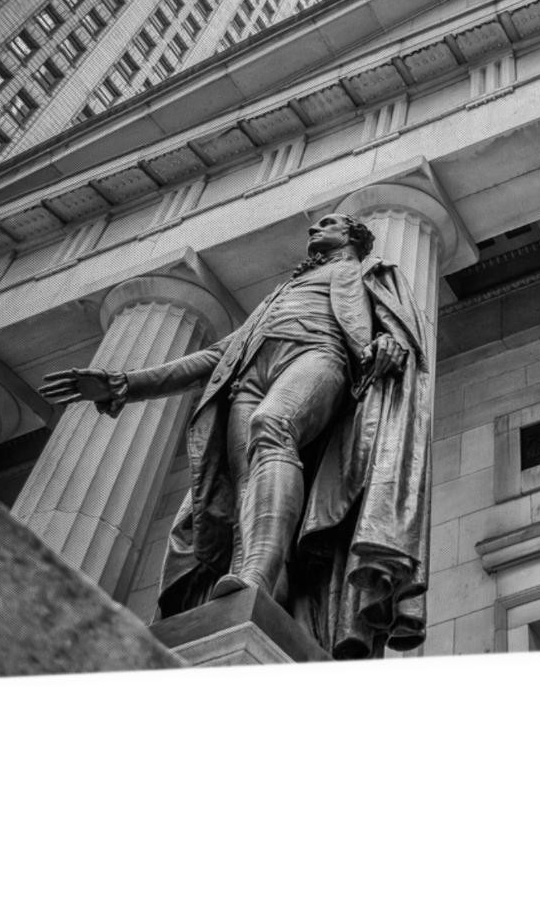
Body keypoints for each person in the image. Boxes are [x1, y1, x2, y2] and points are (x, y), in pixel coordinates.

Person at [38, 213, 433, 658]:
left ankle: (259, 575)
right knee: (245, 487)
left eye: (327, 224)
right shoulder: (280, 293)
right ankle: (261, 580)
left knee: (273, 427)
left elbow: (397, 327)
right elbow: (218, 355)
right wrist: (125, 384)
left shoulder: (369, 271)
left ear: (352, 235)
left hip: (318, 354)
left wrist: (390, 341)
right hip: (249, 378)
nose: (313, 230)